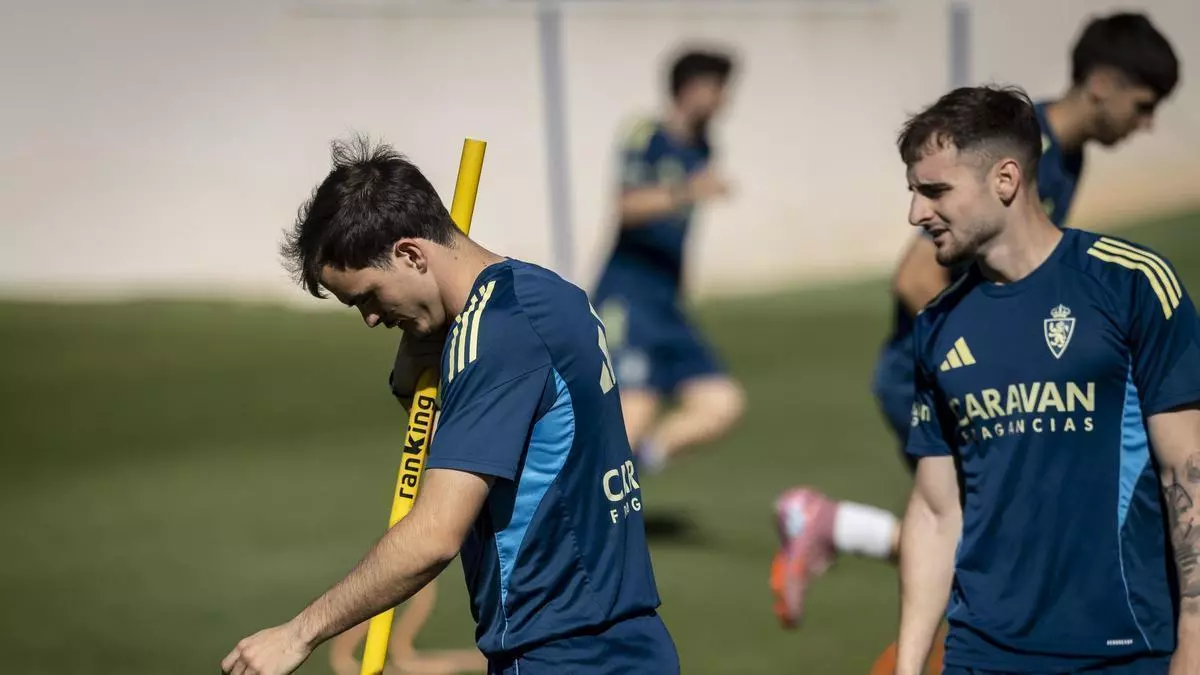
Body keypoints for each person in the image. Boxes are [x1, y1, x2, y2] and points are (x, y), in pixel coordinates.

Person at [769, 11, 1183, 632]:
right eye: (1144, 106)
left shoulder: (1063, 156)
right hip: (939, 373)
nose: (1147, 123)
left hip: (963, 369)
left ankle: (831, 525)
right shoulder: (1011, 146)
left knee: (1006, 540)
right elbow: (915, 278)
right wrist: (1000, 356)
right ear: (1103, 84)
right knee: (1001, 543)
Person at [220, 138, 679, 675]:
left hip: (562, 652)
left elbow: (435, 534)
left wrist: (298, 634)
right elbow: (497, 453)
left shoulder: (494, 335)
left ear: (411, 254)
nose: (371, 318)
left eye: (368, 296)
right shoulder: (546, 293)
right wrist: (412, 386)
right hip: (630, 642)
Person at [896, 84, 1200, 674]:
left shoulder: (1132, 285)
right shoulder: (937, 324)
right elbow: (936, 511)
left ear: (1005, 180)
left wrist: (1194, 640)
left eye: (935, 191)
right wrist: (908, 667)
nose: (916, 213)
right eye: (913, 192)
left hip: (1121, 652)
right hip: (980, 653)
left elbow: (1186, 471)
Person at [592, 48, 745, 475]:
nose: (724, 100)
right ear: (692, 88)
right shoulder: (646, 135)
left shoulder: (704, 146)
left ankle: (634, 466)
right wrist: (687, 191)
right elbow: (626, 206)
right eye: (718, 88)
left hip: (666, 306)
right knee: (634, 411)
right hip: (627, 299)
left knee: (721, 402)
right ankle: (588, 498)